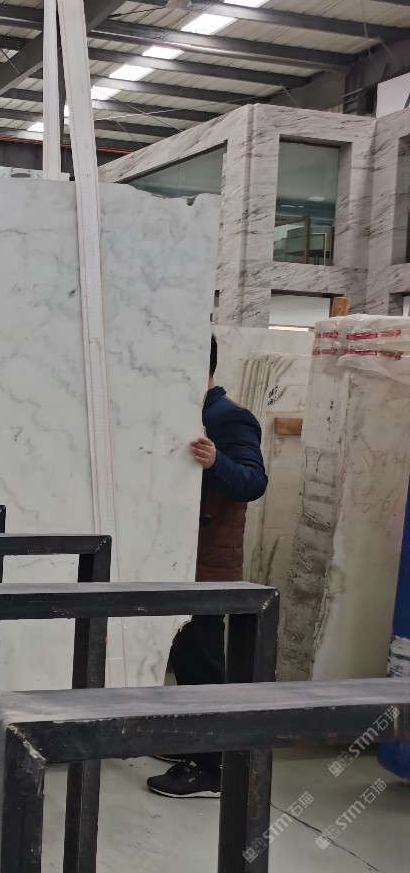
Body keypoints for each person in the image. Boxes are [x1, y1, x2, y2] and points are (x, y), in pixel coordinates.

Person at [147, 335, 268, 799]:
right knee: (183, 653)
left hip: (209, 561)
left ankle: (216, 767)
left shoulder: (229, 417)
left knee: (202, 659)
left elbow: (253, 482)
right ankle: (194, 740)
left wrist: (218, 461)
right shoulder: (187, 412)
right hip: (178, 555)